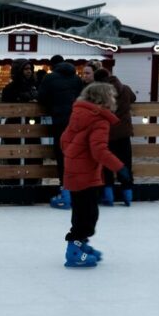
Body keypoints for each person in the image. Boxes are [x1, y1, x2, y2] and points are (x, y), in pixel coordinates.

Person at [60, 83, 131, 267]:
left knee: (83, 212)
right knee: (87, 216)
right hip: (85, 175)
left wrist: (73, 155)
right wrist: (120, 168)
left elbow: (63, 140)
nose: (114, 100)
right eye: (112, 97)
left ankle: (80, 245)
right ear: (104, 99)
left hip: (74, 171)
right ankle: (74, 251)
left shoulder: (79, 114)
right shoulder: (99, 120)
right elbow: (99, 151)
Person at [37, 55, 84, 209]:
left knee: (62, 154)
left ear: (52, 66)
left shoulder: (49, 79)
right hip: (77, 122)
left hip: (60, 122)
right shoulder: (76, 78)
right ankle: (77, 191)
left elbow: (41, 98)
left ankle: (66, 192)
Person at [94, 68, 136, 205]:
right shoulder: (125, 88)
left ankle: (109, 196)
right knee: (125, 164)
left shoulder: (100, 93)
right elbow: (133, 99)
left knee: (107, 165)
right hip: (124, 133)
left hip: (107, 133)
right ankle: (127, 196)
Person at [0, 59, 40, 186]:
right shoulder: (10, 88)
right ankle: (14, 182)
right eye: (25, 69)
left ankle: (31, 183)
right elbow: (7, 104)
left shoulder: (36, 85)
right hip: (14, 125)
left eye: (30, 69)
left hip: (32, 125)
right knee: (14, 155)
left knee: (32, 155)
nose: (28, 71)